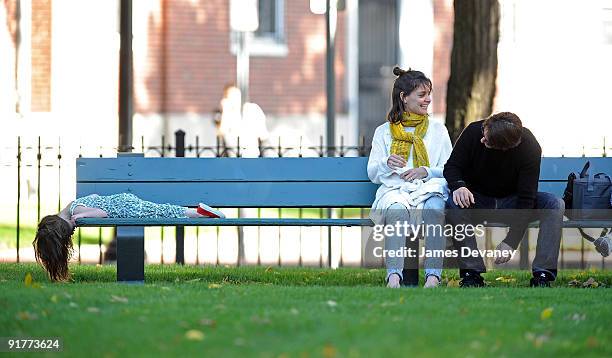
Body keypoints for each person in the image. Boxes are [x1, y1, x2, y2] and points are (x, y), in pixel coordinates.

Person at [443, 111, 564, 287]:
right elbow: (452, 167)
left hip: (512, 202)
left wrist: (511, 242)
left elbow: (526, 198)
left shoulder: (529, 147)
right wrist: (459, 185)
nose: (482, 140)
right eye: (485, 134)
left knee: (554, 203)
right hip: (477, 201)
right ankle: (472, 274)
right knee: (453, 203)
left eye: (488, 142)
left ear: (506, 147)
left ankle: (542, 275)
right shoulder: (473, 131)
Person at [367, 67, 453, 288]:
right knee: (396, 211)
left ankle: (433, 277)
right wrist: (386, 164)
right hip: (396, 191)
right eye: (422, 95)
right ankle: (394, 277)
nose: (428, 100)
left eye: (429, 94)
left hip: (429, 189)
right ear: (404, 98)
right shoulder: (383, 132)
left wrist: (426, 171)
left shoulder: (437, 130)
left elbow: (451, 169)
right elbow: (373, 173)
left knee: (434, 209)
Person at [33, 193, 225, 282]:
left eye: (70, 230)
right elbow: (94, 196)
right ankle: (199, 212)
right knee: (163, 210)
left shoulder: (76, 211)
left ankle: (201, 213)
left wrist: (83, 216)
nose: (73, 231)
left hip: (127, 208)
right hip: (124, 203)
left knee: (163, 212)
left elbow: (102, 213)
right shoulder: (72, 205)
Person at [218, 84, 269, 157]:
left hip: (252, 155)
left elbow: (263, 135)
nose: (235, 99)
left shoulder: (251, 109)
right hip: (233, 157)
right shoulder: (227, 114)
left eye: (237, 95)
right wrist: (225, 111)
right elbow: (222, 133)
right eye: (231, 96)